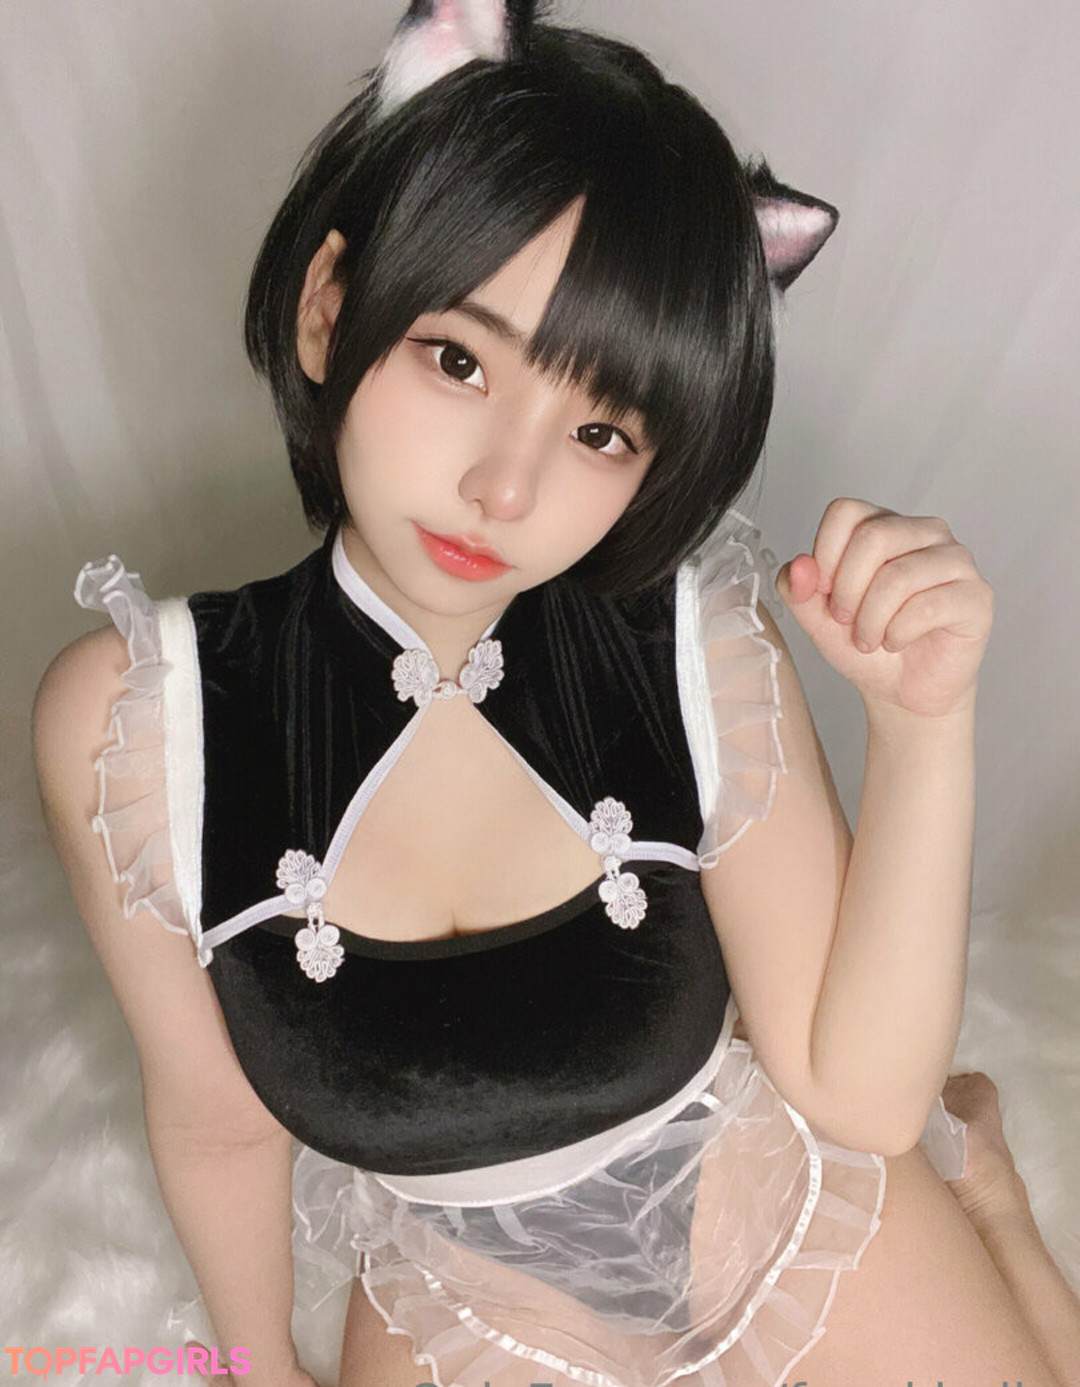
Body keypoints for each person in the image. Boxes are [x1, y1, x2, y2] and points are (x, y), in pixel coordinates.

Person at [30, 3, 1080, 1385]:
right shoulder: (140, 717)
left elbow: (863, 1098)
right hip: (465, 1288)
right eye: (458, 360)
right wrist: (258, 1364)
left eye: (599, 430)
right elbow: (217, 1119)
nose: (506, 487)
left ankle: (991, 1201)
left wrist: (923, 726)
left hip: (755, 1192)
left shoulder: (693, 639)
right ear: (330, 308)